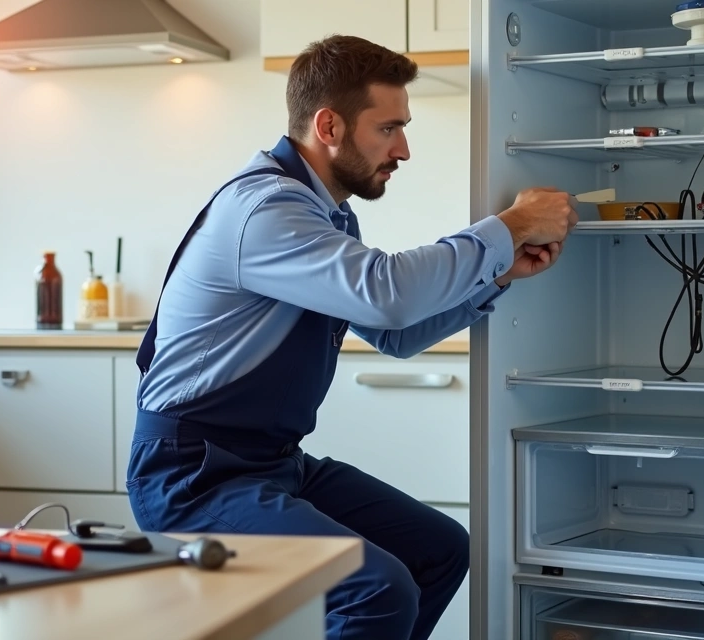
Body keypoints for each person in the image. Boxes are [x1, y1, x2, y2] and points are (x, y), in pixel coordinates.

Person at [125, 35, 577, 640]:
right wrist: (511, 224)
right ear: (329, 124)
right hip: (193, 474)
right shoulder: (266, 209)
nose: (404, 149)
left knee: (439, 550)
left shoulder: (325, 214)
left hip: (268, 464)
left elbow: (396, 331)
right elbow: (384, 291)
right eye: (388, 128)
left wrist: (498, 273)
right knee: (377, 589)